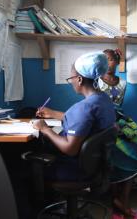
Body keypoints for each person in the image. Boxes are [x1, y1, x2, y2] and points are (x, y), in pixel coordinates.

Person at [33, 51, 116, 181]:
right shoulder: (104, 99)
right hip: (96, 165)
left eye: (71, 79)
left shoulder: (83, 107)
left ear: (79, 79)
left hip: (74, 168)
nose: (71, 82)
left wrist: (45, 129)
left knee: (30, 163)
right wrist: (52, 113)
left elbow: (70, 149)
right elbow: (85, 121)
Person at [99, 49, 137, 218]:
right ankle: (117, 204)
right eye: (104, 60)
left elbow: (118, 105)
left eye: (111, 60)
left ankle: (124, 202)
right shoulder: (95, 82)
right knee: (115, 156)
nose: (108, 63)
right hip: (103, 123)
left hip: (120, 120)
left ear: (116, 62)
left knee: (135, 149)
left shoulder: (122, 83)